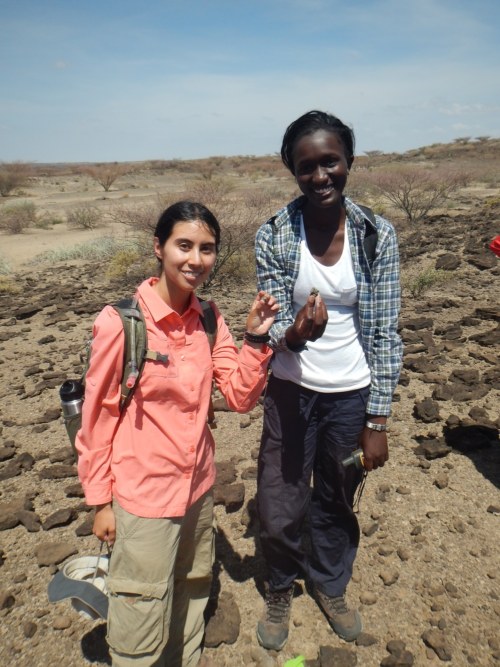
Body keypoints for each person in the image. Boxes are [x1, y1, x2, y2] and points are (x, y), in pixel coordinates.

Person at [76, 200, 278, 667]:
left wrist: (256, 339)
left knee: (191, 586)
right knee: (139, 607)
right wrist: (100, 501)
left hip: (198, 489)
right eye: (183, 245)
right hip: (143, 494)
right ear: (159, 248)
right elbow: (98, 418)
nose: (196, 259)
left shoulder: (209, 319)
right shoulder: (122, 323)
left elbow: (240, 397)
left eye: (207, 249)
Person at [254, 110, 403, 651]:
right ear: (292, 170)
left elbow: (385, 332)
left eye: (330, 162)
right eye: (306, 166)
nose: (320, 176)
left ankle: (329, 583)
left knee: (338, 493)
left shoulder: (375, 234)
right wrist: (293, 335)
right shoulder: (274, 233)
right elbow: (266, 322)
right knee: (278, 499)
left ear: (349, 163)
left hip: (351, 396)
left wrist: (378, 418)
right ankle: (279, 585)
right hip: (291, 392)